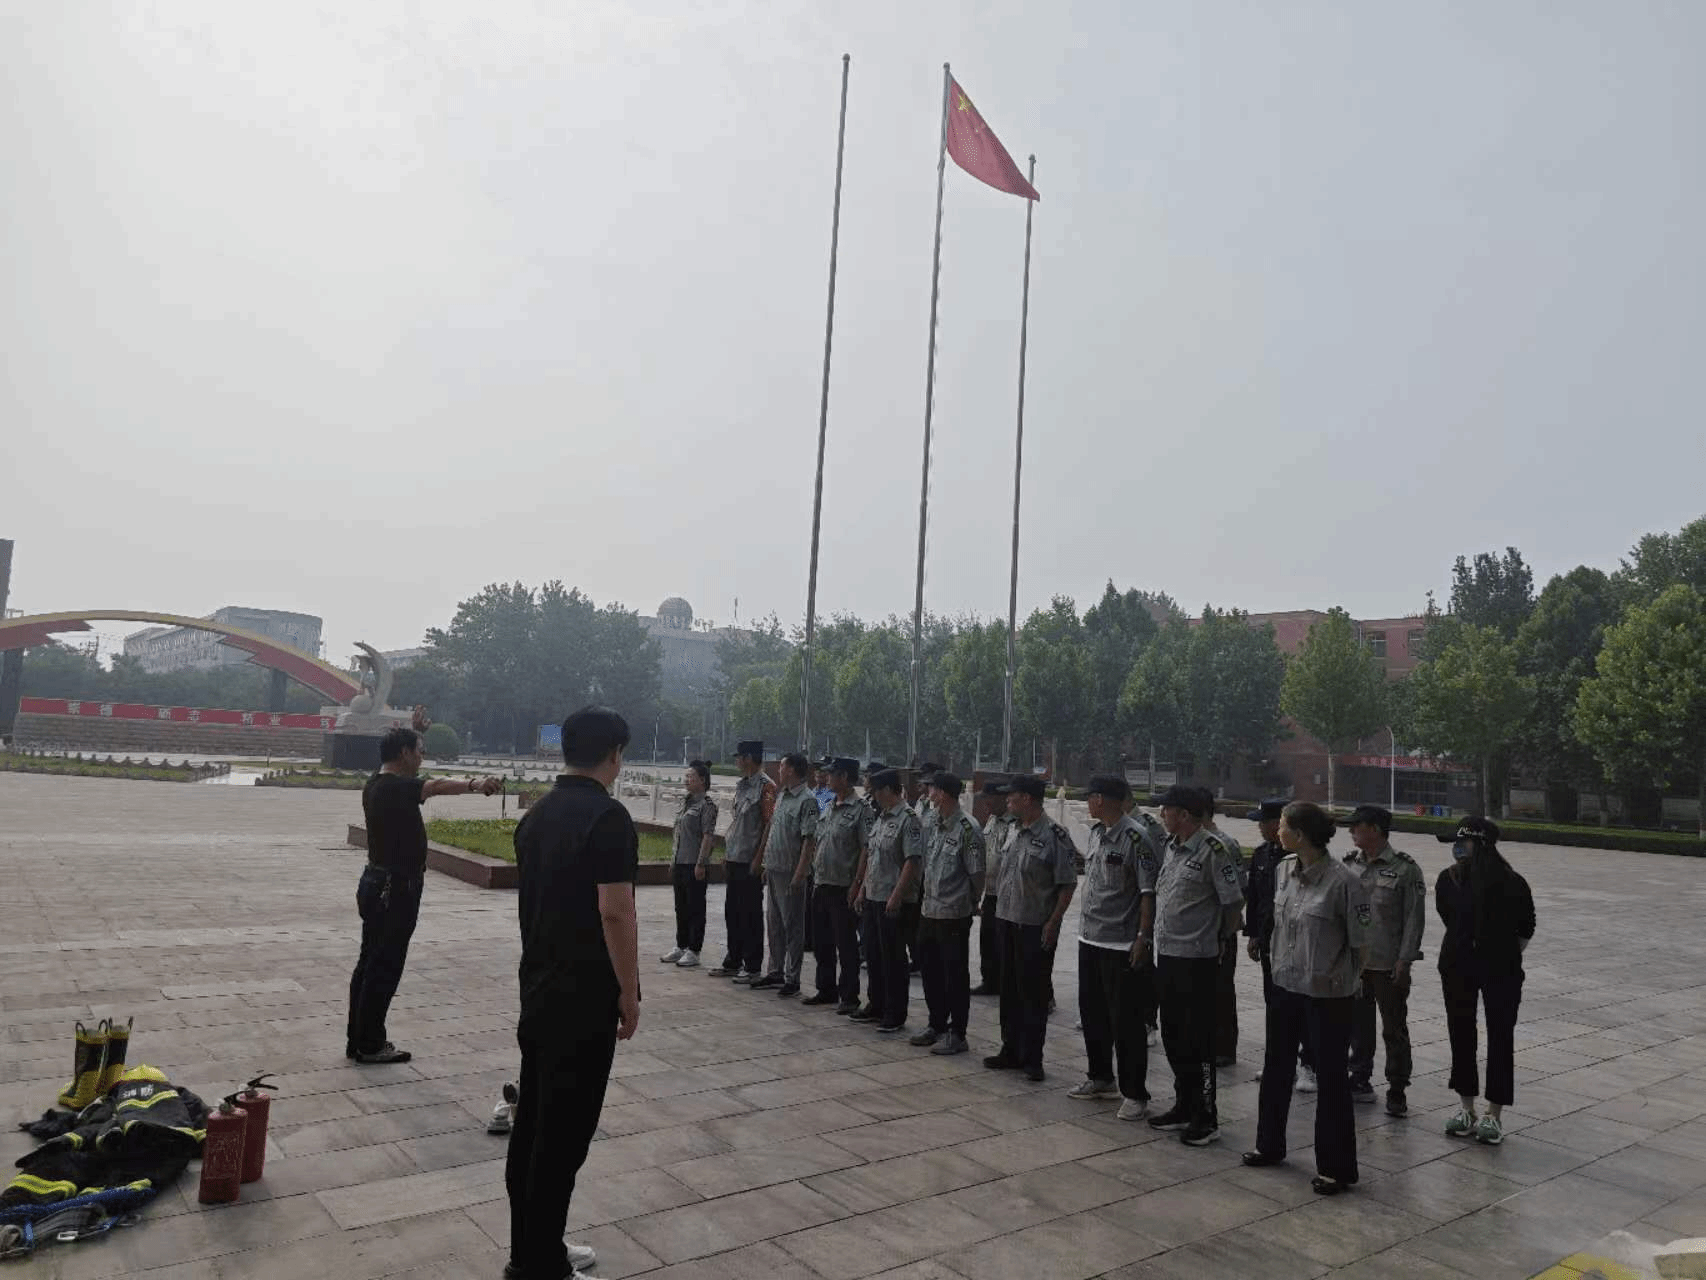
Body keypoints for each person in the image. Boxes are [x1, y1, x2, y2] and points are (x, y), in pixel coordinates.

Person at [505, 706, 640, 1280]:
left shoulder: (536, 815)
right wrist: (629, 992)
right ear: (614, 755)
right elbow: (615, 911)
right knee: (563, 1136)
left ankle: (534, 1249)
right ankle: (541, 1264)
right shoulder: (608, 818)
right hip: (583, 998)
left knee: (534, 1126)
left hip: (539, 990)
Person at [348, 722, 501, 1065]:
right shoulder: (394, 787)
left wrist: (413, 730)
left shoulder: (377, 783)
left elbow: (422, 781)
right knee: (384, 966)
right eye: (419, 750)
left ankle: (358, 1039)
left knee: (369, 962)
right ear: (404, 753)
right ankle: (370, 1044)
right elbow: (435, 786)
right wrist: (475, 784)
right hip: (394, 889)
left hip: (377, 883)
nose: (422, 757)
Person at [1242, 801, 1368, 1196]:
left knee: (1331, 1078)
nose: (1277, 831)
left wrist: (1343, 980)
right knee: (1276, 1067)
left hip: (1327, 995)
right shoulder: (1283, 870)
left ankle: (1336, 1168)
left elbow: (1361, 944)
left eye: (1282, 825)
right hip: (1285, 986)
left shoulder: (1345, 882)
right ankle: (1269, 1144)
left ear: (1299, 835)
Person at [1147, 785, 1243, 1146]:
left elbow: (1232, 903)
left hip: (1199, 958)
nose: (1162, 816)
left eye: (1166, 810)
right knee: (1173, 1035)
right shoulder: (1172, 847)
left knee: (1199, 1039)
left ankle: (1206, 1115)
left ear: (1184, 814)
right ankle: (1183, 1105)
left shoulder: (1214, 850)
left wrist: (1219, 941)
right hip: (1169, 954)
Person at [1436, 817, 1535, 1147]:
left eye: (1461, 843)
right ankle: (1466, 1108)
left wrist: (1499, 950)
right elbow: (1450, 918)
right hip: (1457, 965)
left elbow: (1526, 926)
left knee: (1500, 1036)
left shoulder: (1513, 883)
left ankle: (1494, 1113)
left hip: (1501, 969)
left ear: (1480, 845)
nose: (1456, 849)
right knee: (1461, 1032)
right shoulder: (1448, 880)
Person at [1069, 774, 1157, 1121]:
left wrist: (1143, 937)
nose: (1087, 802)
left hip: (1120, 942)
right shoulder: (1096, 833)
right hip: (1090, 937)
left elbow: (1148, 892)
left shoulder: (1137, 838)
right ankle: (1101, 1077)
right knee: (1093, 1014)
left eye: (1090, 797)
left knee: (1126, 1022)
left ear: (1102, 799)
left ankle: (1135, 1093)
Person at [984, 775, 1078, 1083]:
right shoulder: (1013, 829)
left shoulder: (1055, 835)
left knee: (1033, 993)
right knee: (1009, 989)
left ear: (1027, 798)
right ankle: (1010, 1049)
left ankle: (1033, 1057)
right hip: (1007, 919)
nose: (1007, 801)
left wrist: (1054, 922)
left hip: (1035, 925)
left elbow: (1067, 884)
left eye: (1011, 796)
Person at [1343, 804, 1426, 1117]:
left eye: (1357, 826)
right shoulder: (1349, 864)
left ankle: (1397, 1088)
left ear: (1375, 829)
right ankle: (1359, 1078)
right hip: (1356, 963)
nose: (1351, 831)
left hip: (1388, 965)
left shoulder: (1405, 869)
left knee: (1394, 1028)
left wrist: (1405, 961)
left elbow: (1414, 919)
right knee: (1358, 1026)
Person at [1243, 799, 1317, 1092]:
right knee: (1274, 1004)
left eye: (1264, 822)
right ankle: (1277, 1060)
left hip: (1297, 943)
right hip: (1270, 941)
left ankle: (1308, 1065)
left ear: (1279, 824)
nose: (1260, 827)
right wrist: (1253, 934)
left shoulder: (1303, 857)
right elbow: (1255, 898)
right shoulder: (1262, 854)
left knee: (1302, 1004)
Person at [912, 771, 985, 1055]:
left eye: (932, 789)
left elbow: (976, 874)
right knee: (930, 970)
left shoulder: (968, 828)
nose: (928, 792)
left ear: (942, 793)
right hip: (929, 909)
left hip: (954, 914)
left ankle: (958, 1033)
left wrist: (971, 903)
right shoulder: (932, 821)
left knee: (954, 974)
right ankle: (937, 1023)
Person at [852, 769, 923, 1031]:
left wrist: (897, 895)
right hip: (874, 895)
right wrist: (862, 890)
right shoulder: (881, 817)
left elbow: (912, 861)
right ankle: (876, 1003)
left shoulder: (909, 819)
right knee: (873, 954)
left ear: (889, 790)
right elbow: (873, 857)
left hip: (894, 900)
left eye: (876, 791)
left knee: (893, 958)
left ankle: (895, 1012)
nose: (873, 796)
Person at [751, 753, 818, 997]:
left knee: (793, 926)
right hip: (775, 868)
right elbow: (772, 828)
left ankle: (793, 977)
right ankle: (775, 971)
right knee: (775, 924)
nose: (778, 770)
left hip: (791, 871)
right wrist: (763, 861)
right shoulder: (782, 796)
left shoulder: (807, 800)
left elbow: (808, 841)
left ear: (791, 770)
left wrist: (800, 874)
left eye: (781, 766)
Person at [706, 741, 774, 984]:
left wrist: (759, 858)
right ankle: (733, 960)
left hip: (750, 860)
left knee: (750, 913)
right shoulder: (742, 785)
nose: (736, 761)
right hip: (735, 857)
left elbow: (768, 825)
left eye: (739, 757)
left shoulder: (766, 787)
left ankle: (752, 965)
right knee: (732, 912)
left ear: (749, 758)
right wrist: (728, 852)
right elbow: (738, 823)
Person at [806, 757, 866, 1013]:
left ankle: (849, 996)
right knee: (822, 942)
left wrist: (857, 884)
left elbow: (866, 849)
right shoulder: (829, 805)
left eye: (831, 774)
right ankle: (826, 989)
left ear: (844, 777)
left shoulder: (861, 810)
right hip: (822, 882)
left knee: (846, 944)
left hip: (844, 886)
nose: (826, 778)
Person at [1199, 789, 1247, 1068]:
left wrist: (1226, 930)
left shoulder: (1225, 844)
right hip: (1196, 934)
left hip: (1220, 930)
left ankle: (1224, 1047)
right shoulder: (1185, 842)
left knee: (1221, 990)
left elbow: (1238, 890)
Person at [662, 760, 718, 971]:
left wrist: (701, 863)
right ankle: (681, 945)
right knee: (681, 907)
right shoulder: (685, 803)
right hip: (680, 862)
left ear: (702, 780)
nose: (686, 780)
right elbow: (678, 835)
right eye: (685, 776)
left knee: (695, 908)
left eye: (690, 776)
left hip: (694, 864)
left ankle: (694, 950)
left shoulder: (707, 806)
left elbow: (708, 836)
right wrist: (673, 861)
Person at [971, 780, 1015, 997]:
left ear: (1001, 798)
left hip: (1008, 895)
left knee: (1007, 943)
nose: (985, 803)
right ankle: (990, 981)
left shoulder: (1014, 823)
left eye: (988, 799)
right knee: (987, 939)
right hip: (990, 892)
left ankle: (1008, 984)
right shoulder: (991, 820)